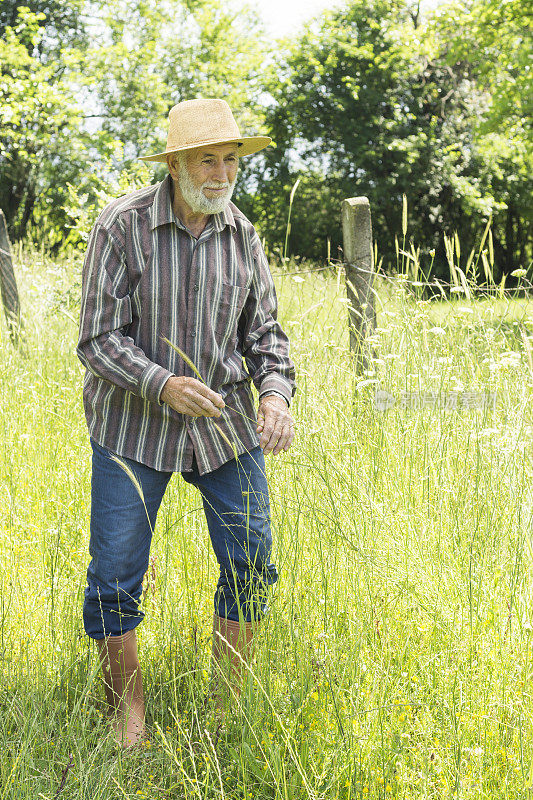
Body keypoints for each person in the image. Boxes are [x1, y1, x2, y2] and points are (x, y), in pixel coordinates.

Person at [77, 98, 296, 747]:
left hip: (223, 429)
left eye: (231, 159)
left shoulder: (243, 235)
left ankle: (223, 712)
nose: (223, 171)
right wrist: (161, 383)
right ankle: (128, 714)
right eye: (208, 158)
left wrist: (276, 397)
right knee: (115, 573)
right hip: (133, 427)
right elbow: (96, 337)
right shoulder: (123, 225)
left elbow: (267, 336)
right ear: (175, 164)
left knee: (251, 559)